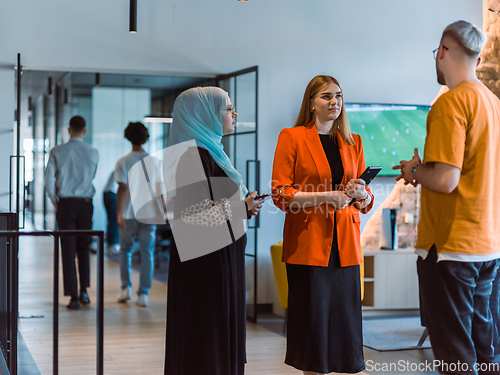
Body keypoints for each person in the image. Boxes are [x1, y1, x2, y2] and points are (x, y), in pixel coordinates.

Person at [394, 20, 500, 375]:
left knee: (454, 353)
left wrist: (414, 171)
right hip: (487, 245)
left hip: (451, 246)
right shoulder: (493, 103)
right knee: (484, 349)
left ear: (442, 52)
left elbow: (446, 179)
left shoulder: (449, 103)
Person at [272, 75, 374, 375]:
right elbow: (281, 194)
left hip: (346, 248)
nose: (334, 102)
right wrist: (327, 197)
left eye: (338, 96)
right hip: (309, 246)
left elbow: (363, 201)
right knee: (314, 334)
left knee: (345, 334)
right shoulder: (291, 137)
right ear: (311, 103)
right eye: (326, 96)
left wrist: (362, 194)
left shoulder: (353, 142)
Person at [163, 86, 264, 375]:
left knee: (219, 332)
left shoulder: (212, 152)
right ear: (203, 114)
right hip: (205, 267)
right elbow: (192, 216)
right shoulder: (190, 157)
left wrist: (244, 206)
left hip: (221, 259)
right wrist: (242, 208)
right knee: (207, 337)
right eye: (227, 108)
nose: (234, 113)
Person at [44, 115, 99, 310]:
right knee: (83, 248)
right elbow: (92, 176)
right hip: (85, 205)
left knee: (67, 250)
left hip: (66, 205)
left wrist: (55, 202)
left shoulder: (57, 151)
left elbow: (49, 181)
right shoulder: (93, 153)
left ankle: (73, 297)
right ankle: (84, 291)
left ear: (69, 130)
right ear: (84, 131)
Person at [115, 122, 163, 308]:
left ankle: (125, 288)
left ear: (128, 137)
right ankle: (143, 293)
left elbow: (121, 188)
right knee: (147, 252)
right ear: (146, 138)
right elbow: (160, 190)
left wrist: (118, 212)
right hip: (149, 213)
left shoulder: (123, 161)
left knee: (125, 251)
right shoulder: (155, 161)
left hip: (128, 212)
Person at [103, 171, 120, 256]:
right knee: (115, 220)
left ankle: (110, 245)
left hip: (106, 194)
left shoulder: (117, 168)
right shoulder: (124, 168)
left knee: (111, 220)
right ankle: (114, 245)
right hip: (112, 194)